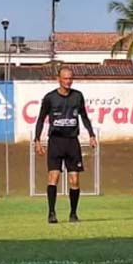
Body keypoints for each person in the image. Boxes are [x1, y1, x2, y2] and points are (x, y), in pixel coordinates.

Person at [33, 67, 97, 224]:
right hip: (55, 141)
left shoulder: (77, 96)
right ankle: (51, 213)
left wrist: (91, 134)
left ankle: (73, 214)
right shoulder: (50, 98)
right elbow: (41, 119)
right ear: (59, 79)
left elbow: (84, 116)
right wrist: (37, 140)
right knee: (53, 177)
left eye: (70, 78)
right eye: (65, 78)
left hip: (72, 142)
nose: (68, 81)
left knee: (74, 180)